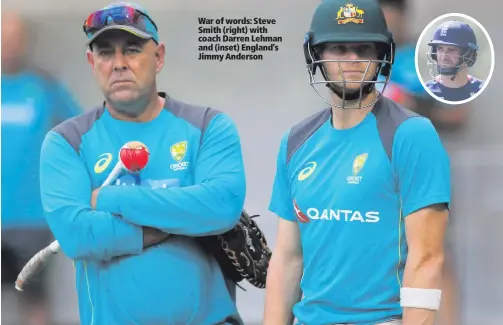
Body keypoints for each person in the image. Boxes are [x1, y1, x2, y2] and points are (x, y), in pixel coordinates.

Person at [39, 3, 246, 325]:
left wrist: (109, 199)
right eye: (106, 53)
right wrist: (178, 219)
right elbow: (78, 235)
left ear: (159, 57)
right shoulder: (68, 140)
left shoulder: (208, 126)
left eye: (132, 49)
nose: (118, 64)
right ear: (92, 63)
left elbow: (220, 206)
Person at [263, 0, 450, 324]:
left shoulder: (412, 135)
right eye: (338, 48)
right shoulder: (295, 140)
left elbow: (428, 259)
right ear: (316, 54)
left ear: (383, 55)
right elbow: (288, 259)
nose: (351, 60)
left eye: (364, 48)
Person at [378, 1, 462, 324]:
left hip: (424, 172)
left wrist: (415, 106)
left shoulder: (427, 58)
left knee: (439, 253)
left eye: (392, 14)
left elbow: (457, 115)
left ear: (403, 16)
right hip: (376, 173)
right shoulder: (362, 58)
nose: (387, 21)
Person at [1, 10, 82, 325]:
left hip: (33, 219)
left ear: (25, 42)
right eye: (3, 38)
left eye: (15, 38)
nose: (9, 44)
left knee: (34, 300)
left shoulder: (45, 88)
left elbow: (80, 138)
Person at [425, 20, 484, 103]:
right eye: (440, 49)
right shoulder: (426, 92)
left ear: (468, 55)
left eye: (451, 49)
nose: (444, 55)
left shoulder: (481, 89)